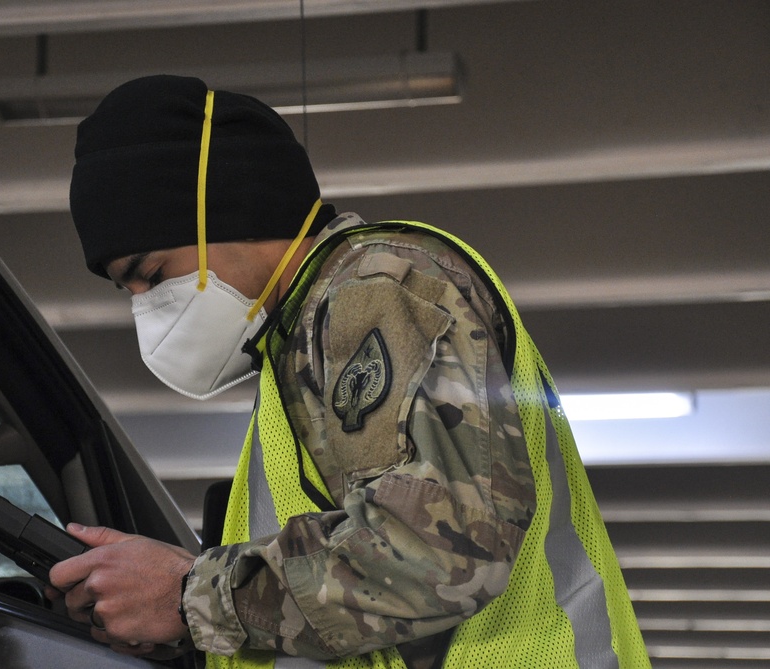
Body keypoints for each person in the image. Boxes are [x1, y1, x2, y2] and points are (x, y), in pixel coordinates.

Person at [50, 74, 651, 668]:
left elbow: (439, 555)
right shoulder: (300, 343)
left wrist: (192, 598)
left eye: (152, 275)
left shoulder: (376, 290)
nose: (147, 310)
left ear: (230, 207)